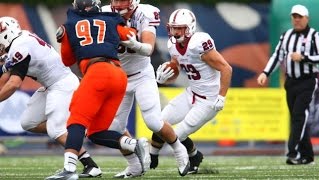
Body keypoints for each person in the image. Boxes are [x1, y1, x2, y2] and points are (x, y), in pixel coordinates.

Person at [46, 0, 150, 179]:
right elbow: (131, 34)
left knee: (76, 121)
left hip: (97, 71)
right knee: (96, 132)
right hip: (119, 75)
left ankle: (69, 170)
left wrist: (65, 40)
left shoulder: (70, 24)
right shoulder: (110, 20)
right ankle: (134, 144)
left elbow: (67, 60)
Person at [0, 16, 102, 178]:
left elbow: (13, 83)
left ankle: (70, 170)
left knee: (56, 129)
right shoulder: (21, 40)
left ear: (6, 34)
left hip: (62, 84)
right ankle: (89, 162)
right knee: (28, 122)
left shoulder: (20, 47)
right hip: (51, 85)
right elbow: (6, 75)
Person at [101, 0, 190, 178]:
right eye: (116, 0)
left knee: (153, 121)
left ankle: (180, 151)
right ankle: (134, 166)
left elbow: (148, 49)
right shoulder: (103, 13)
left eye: (122, 0)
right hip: (118, 76)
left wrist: (135, 44)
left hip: (142, 74)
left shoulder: (145, 13)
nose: (118, 4)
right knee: (116, 127)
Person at [152, 8, 232, 174]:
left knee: (176, 135)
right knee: (159, 122)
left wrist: (222, 96)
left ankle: (192, 157)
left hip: (208, 100)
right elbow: (176, 69)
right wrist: (164, 78)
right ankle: (194, 155)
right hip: (192, 93)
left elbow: (226, 68)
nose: (175, 32)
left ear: (190, 27)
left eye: (179, 28)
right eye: (173, 28)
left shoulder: (199, 44)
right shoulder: (173, 45)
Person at [257, 4, 319, 165]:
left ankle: (293, 152)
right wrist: (266, 73)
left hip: (307, 80)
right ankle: (308, 155)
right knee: (297, 117)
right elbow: (277, 55)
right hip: (291, 81)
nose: (297, 20)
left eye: (300, 17)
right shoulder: (286, 36)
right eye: (294, 17)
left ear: (307, 19)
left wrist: (304, 57)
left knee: (299, 115)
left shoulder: (314, 36)